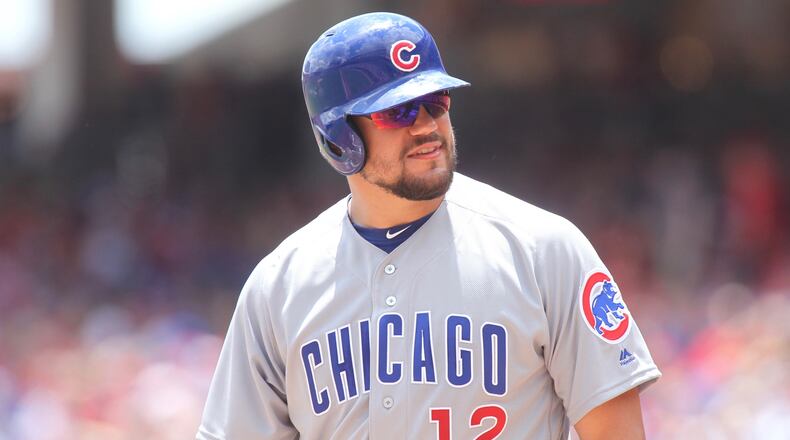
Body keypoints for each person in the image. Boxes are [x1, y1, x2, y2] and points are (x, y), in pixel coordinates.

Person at [197, 12, 661, 440]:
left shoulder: (544, 251)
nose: (425, 126)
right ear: (338, 135)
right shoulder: (278, 287)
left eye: (435, 101)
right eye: (396, 110)